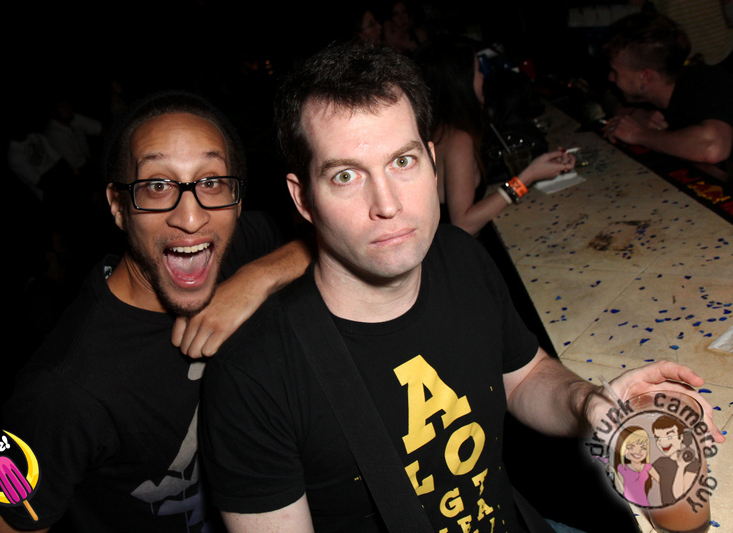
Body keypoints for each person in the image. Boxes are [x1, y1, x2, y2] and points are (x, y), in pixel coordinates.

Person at [200, 43, 724, 533]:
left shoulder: (459, 257)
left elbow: (525, 377)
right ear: (302, 198)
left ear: (431, 163)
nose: (388, 204)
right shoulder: (252, 377)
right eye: (346, 176)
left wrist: (590, 402)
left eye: (402, 161)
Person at [0, 91, 311, 533]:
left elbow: (324, 243)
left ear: (237, 198)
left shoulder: (243, 246)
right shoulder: (62, 389)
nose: (191, 218)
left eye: (210, 181)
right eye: (157, 186)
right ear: (118, 206)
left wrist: (258, 277)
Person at [416, 38, 576, 235]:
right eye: (478, 71)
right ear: (462, 83)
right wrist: (528, 177)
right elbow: (463, 223)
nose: (483, 77)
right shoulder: (457, 139)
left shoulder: (439, 129)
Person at [602, 11, 733, 164]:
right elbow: (605, 97)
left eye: (616, 72)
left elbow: (712, 148)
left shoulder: (705, 82)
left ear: (645, 76)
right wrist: (632, 114)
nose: (611, 77)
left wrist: (640, 134)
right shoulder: (660, 92)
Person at [651, 415, 701, 506]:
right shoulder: (660, 462)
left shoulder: (692, 463)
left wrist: (681, 467)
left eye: (669, 437)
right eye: (658, 438)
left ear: (681, 437)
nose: (662, 442)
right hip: (665, 510)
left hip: (685, 509)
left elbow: (679, 496)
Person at [612, 426, 659, 507]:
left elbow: (663, 482)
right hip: (629, 506)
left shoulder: (647, 467)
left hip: (644, 505)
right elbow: (620, 490)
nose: (638, 451)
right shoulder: (622, 468)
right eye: (631, 447)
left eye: (643, 448)